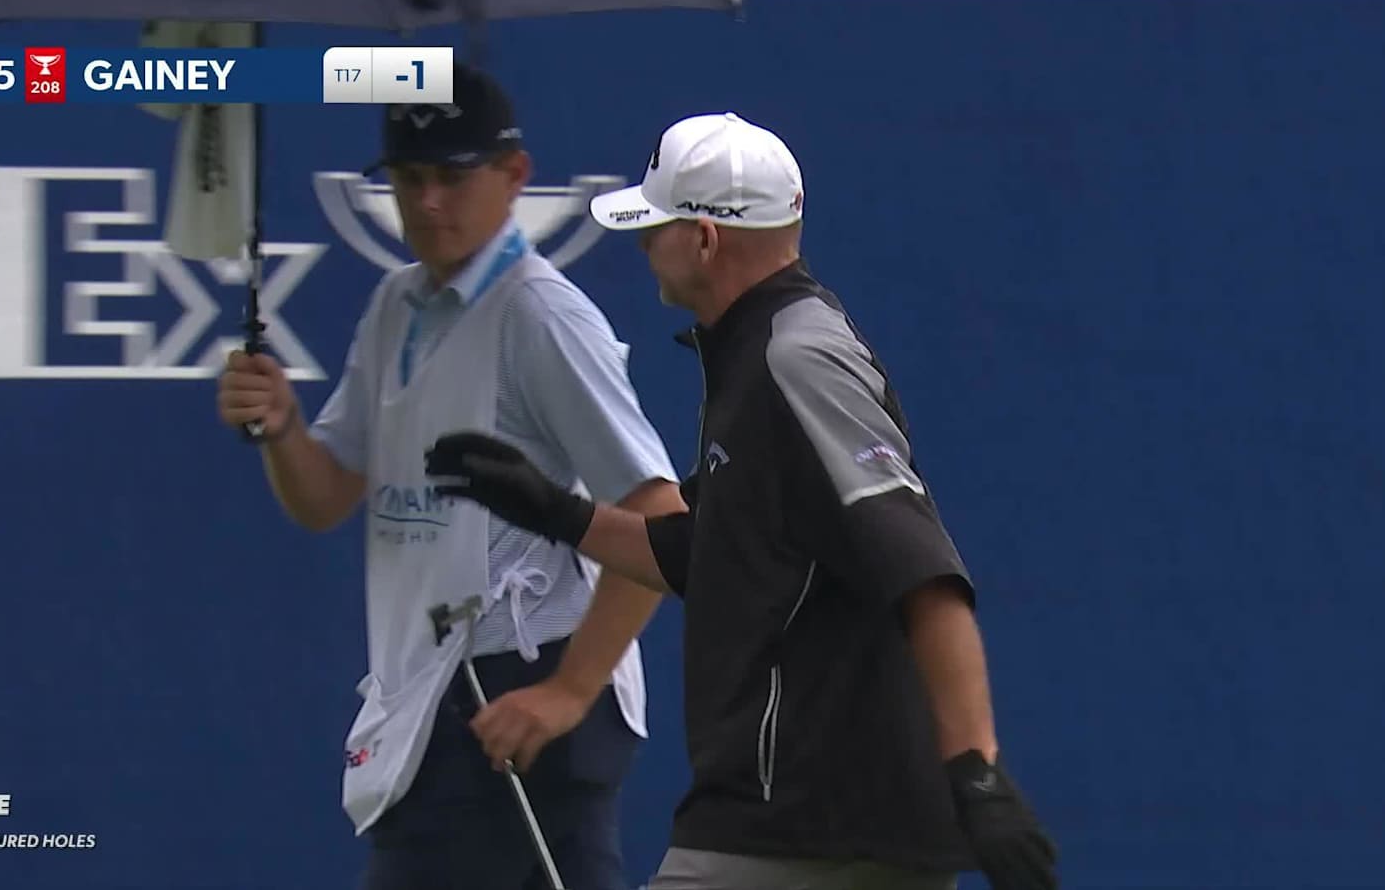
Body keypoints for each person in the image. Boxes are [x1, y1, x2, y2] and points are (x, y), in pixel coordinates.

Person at [424, 112, 1059, 890]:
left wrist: (977, 775)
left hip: (813, 826)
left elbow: (924, 576)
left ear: (703, 240)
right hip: (794, 821)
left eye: (653, 227)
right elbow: (700, 552)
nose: (641, 245)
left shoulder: (795, 359)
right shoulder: (756, 352)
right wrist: (552, 510)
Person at [216, 64, 686, 890]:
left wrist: (569, 690)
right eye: (410, 178)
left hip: (524, 687)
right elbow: (325, 495)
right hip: (439, 691)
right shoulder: (395, 304)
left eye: (453, 176)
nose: (429, 202)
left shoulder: (541, 314)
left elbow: (660, 519)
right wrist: (282, 426)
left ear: (514, 175)